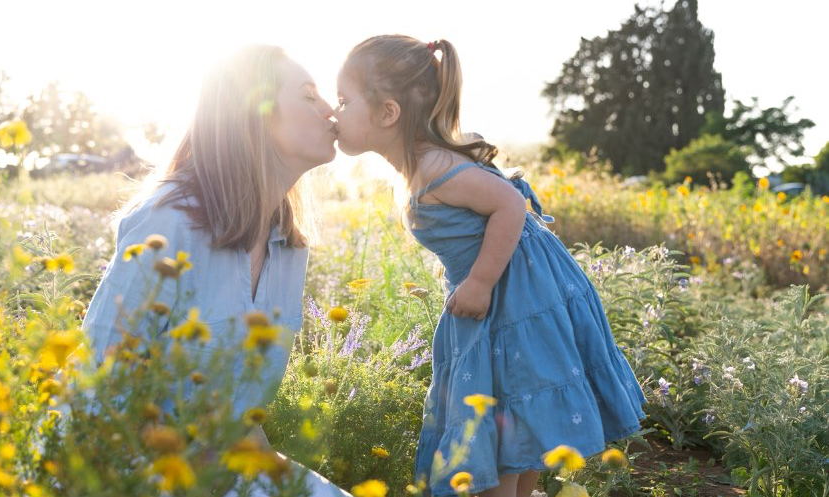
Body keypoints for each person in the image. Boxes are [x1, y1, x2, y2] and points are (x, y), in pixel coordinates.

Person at [333, 35, 646, 497]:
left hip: (516, 298)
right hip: (510, 291)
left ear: (388, 113)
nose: (332, 112)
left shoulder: (434, 165)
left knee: (509, 407)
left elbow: (510, 206)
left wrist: (479, 281)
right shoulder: (422, 168)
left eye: (342, 100)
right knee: (511, 404)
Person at [82, 45, 347, 496]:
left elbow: (238, 418)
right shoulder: (170, 222)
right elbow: (96, 390)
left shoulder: (289, 244)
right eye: (308, 96)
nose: (329, 109)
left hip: (220, 468)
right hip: (123, 468)